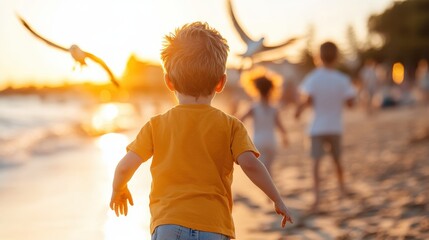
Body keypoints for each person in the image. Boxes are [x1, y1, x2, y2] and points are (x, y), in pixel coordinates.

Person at [109, 22, 293, 240]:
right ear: (221, 83)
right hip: (214, 227)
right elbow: (251, 165)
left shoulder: (155, 125)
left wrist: (118, 189)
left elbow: (124, 167)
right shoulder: (231, 125)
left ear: (169, 82)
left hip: (167, 224)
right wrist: (276, 199)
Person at [295, 41, 356, 213]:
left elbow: (307, 100)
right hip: (335, 126)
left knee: (316, 163)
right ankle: (342, 188)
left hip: (317, 127)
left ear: (318, 57)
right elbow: (351, 102)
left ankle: (317, 197)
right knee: (337, 160)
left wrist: (298, 111)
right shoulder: (342, 79)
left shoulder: (313, 78)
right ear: (337, 57)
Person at [240, 72, 288, 176]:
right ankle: (270, 189)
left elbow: (239, 121)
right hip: (272, 142)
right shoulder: (274, 108)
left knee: (260, 172)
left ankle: (263, 191)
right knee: (268, 169)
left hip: (258, 143)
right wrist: (285, 137)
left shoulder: (253, 107)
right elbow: (280, 126)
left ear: (256, 89)